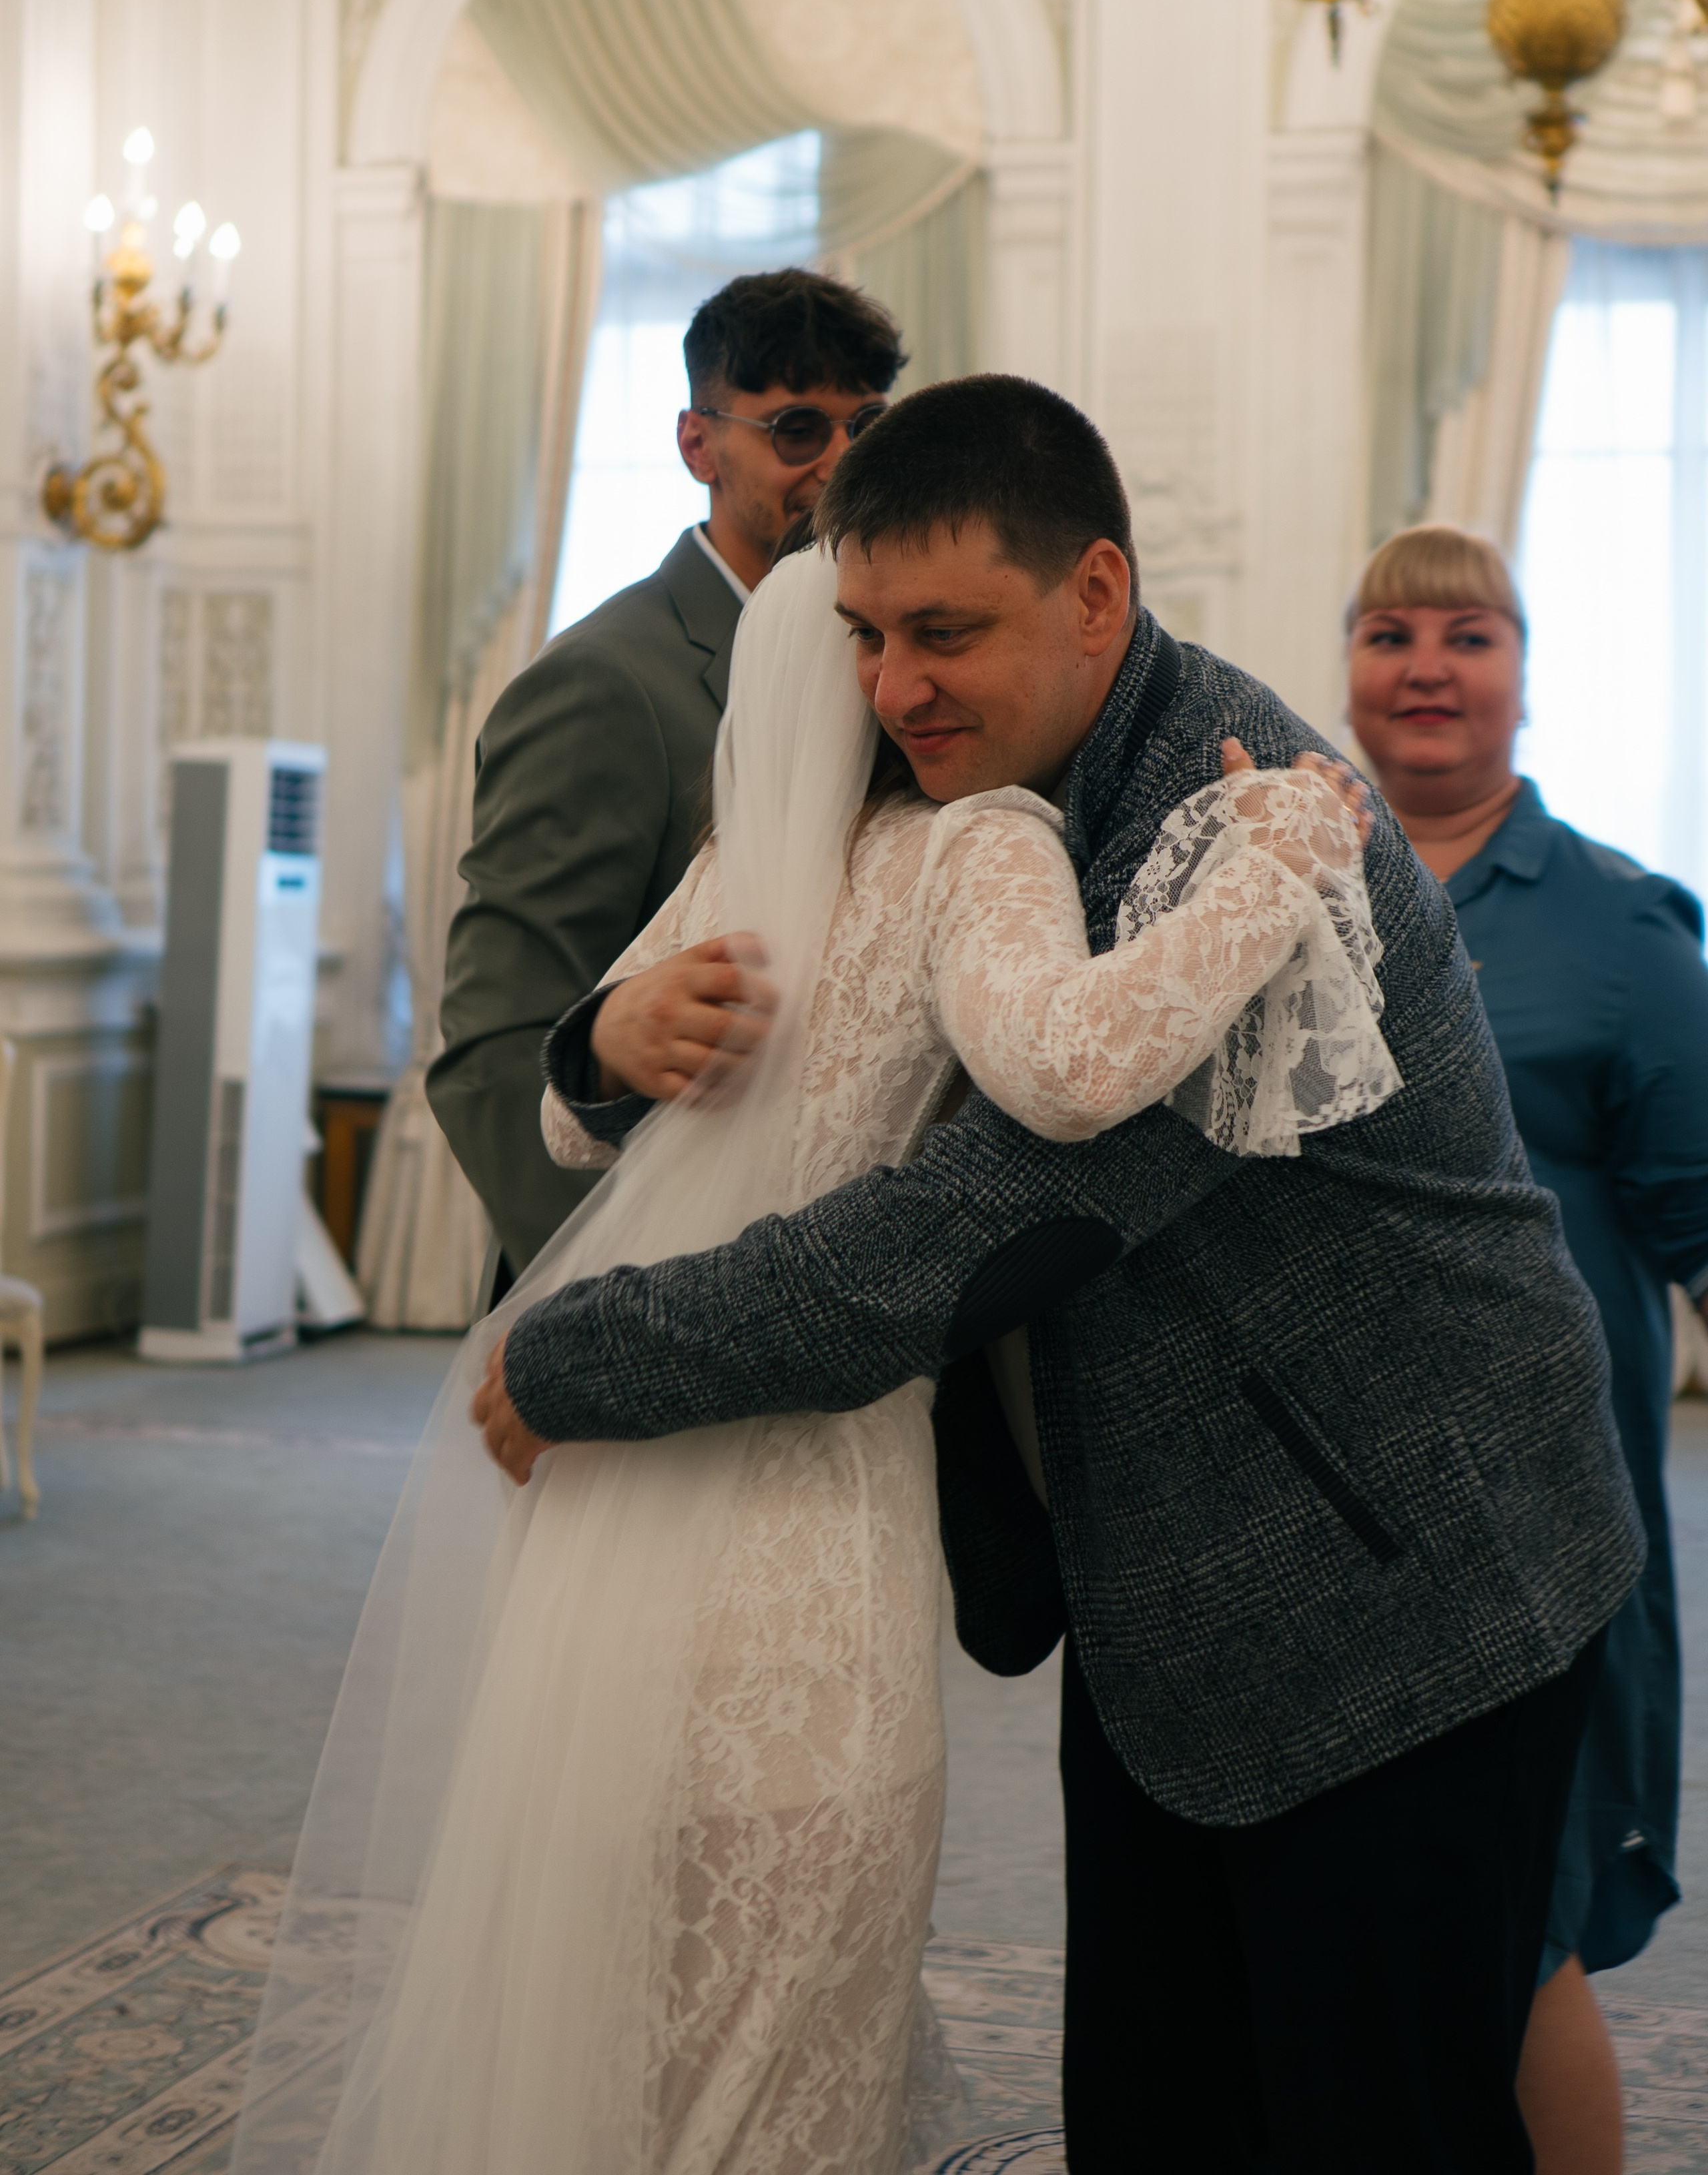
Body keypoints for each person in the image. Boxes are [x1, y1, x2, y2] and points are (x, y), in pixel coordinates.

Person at [476, 375, 1644, 2175]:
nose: (893, 689)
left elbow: (990, 1214)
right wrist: (596, 1046)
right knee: (1167, 2119)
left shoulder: (1243, 831)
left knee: (1373, 2121)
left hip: (1405, 1584)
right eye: (865, 634)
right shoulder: (979, 797)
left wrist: (583, 1355)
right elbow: (785, 1032)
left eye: (947, 634)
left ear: (1097, 594)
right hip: (1175, 1598)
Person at [233, 526, 1385, 2175]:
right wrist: (1275, 862)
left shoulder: (738, 866)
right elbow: (1066, 1068)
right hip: (801, 1512)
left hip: (620, 1508)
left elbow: (571, 1132)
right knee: (786, 2018)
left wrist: (596, 1050)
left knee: (620, 1990)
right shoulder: (975, 842)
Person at [1346, 522, 1708, 2175]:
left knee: (1523, 1938)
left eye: (1467, 635)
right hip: (1315, 1523)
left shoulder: (1625, 934)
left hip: (1538, 1530)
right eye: (1390, 631)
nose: (1426, 666)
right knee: (1358, 1945)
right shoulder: (1262, 899)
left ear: (1520, 674)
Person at [427, 266, 903, 1280]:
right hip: (651, 1278)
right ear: (701, 444)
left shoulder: (895, 662)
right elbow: (495, 1049)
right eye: (796, 430)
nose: (839, 462)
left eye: (866, 425)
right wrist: (621, 1308)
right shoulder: (606, 683)